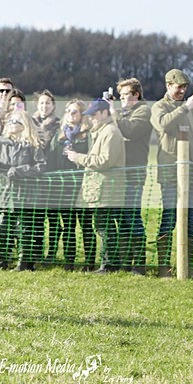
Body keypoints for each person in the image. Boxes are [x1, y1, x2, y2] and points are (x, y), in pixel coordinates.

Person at [150, 69, 193, 277]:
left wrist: (187, 108)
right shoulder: (159, 107)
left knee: (191, 221)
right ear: (168, 85)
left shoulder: (189, 108)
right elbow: (163, 125)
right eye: (178, 86)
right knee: (169, 219)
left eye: (185, 87)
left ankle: (187, 268)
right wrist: (186, 108)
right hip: (172, 174)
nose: (182, 90)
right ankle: (164, 268)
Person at [66, 98, 126, 273]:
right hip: (100, 188)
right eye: (89, 115)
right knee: (103, 226)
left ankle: (108, 265)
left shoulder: (110, 132)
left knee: (104, 226)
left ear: (105, 113)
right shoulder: (102, 131)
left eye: (94, 114)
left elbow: (104, 161)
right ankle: (109, 264)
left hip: (106, 188)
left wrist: (78, 158)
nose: (91, 118)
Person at [0, 110, 47, 271]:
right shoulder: (0, 141)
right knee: (2, 227)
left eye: (16, 122)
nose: (12, 124)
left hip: (24, 192)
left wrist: (20, 170)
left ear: (24, 125)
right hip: (3, 191)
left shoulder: (33, 143)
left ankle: (24, 263)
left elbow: (41, 165)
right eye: (10, 121)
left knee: (24, 229)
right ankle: (1, 260)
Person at [47, 99, 95, 271]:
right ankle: (69, 261)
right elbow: (51, 159)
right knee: (68, 226)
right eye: (68, 111)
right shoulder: (58, 136)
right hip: (62, 188)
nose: (71, 114)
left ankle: (89, 262)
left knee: (86, 225)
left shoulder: (88, 135)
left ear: (82, 115)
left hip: (82, 187)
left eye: (75, 111)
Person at [112, 78, 153, 275]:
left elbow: (130, 131)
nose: (122, 99)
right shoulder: (123, 113)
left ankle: (139, 264)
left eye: (126, 95)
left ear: (136, 94)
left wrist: (113, 114)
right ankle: (125, 262)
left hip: (134, 172)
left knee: (132, 216)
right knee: (122, 217)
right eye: (120, 96)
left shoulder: (144, 111)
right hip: (119, 172)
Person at [31, 89, 62, 264]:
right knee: (36, 217)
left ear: (53, 106)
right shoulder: (31, 122)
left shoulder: (58, 124)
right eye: (41, 103)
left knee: (53, 218)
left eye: (47, 103)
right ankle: (36, 251)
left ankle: (52, 253)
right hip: (35, 176)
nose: (44, 106)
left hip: (52, 175)